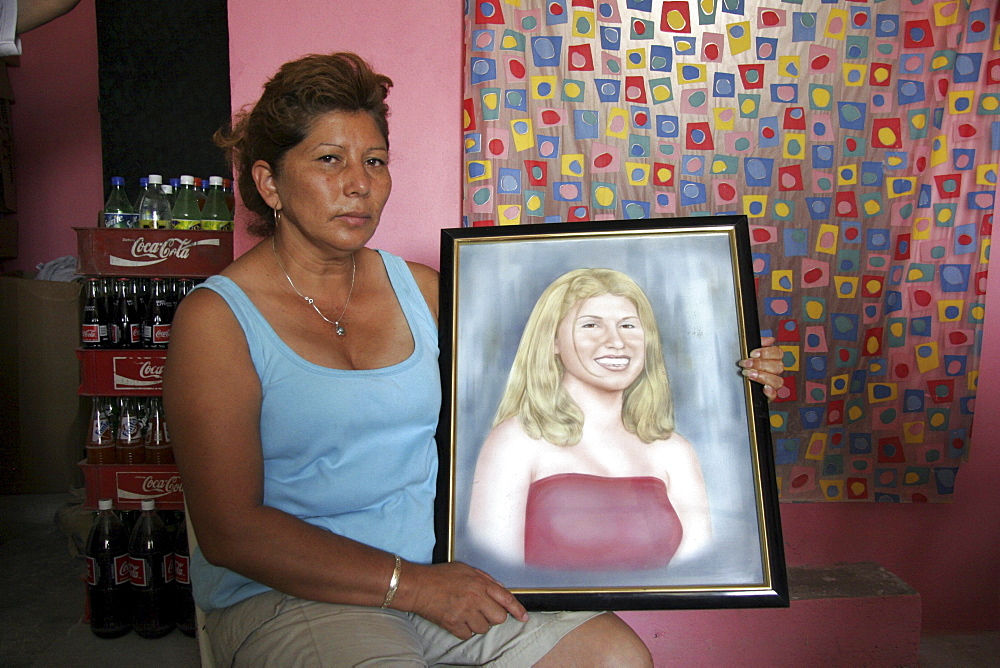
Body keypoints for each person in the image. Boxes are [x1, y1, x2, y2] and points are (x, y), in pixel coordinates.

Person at [163, 52, 657, 666]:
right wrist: (413, 585)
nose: (359, 184)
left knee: (614, 655)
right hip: (290, 595)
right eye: (328, 160)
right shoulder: (216, 321)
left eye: (375, 161)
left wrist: (729, 370)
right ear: (269, 184)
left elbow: (556, 371)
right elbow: (231, 529)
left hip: (439, 580)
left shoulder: (424, 291)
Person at [469, 268, 714, 570]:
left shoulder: (675, 451)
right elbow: (493, 575)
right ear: (553, 341)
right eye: (591, 325)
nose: (616, 342)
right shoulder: (515, 442)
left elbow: (697, 571)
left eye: (627, 325)